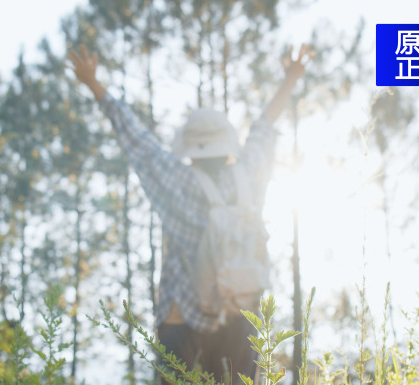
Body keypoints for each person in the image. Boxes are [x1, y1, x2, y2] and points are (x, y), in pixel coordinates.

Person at [67, 44, 312, 383]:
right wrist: (291, 78)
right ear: (227, 145)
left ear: (189, 147)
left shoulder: (176, 179)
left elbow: (134, 137)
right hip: (242, 319)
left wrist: (93, 83)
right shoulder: (250, 174)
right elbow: (265, 125)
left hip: (182, 322)